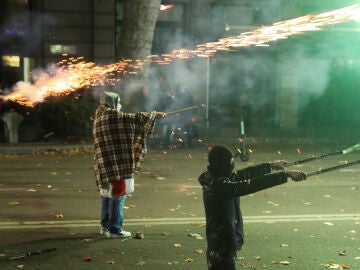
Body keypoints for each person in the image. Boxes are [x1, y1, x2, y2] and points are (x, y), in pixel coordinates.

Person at [198, 146, 307, 270]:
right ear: (223, 164)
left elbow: (242, 175)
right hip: (222, 249)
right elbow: (250, 185)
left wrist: (270, 166)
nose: (233, 164)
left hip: (220, 246)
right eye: (231, 162)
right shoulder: (220, 186)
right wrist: (285, 175)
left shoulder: (216, 178)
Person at [93, 91, 166, 238]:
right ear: (112, 102)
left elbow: (128, 119)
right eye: (118, 102)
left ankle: (105, 227)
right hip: (116, 164)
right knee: (118, 194)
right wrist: (153, 115)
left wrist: (152, 115)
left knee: (107, 195)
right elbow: (133, 119)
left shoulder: (100, 115)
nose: (120, 105)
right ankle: (115, 229)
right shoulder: (111, 115)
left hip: (104, 164)